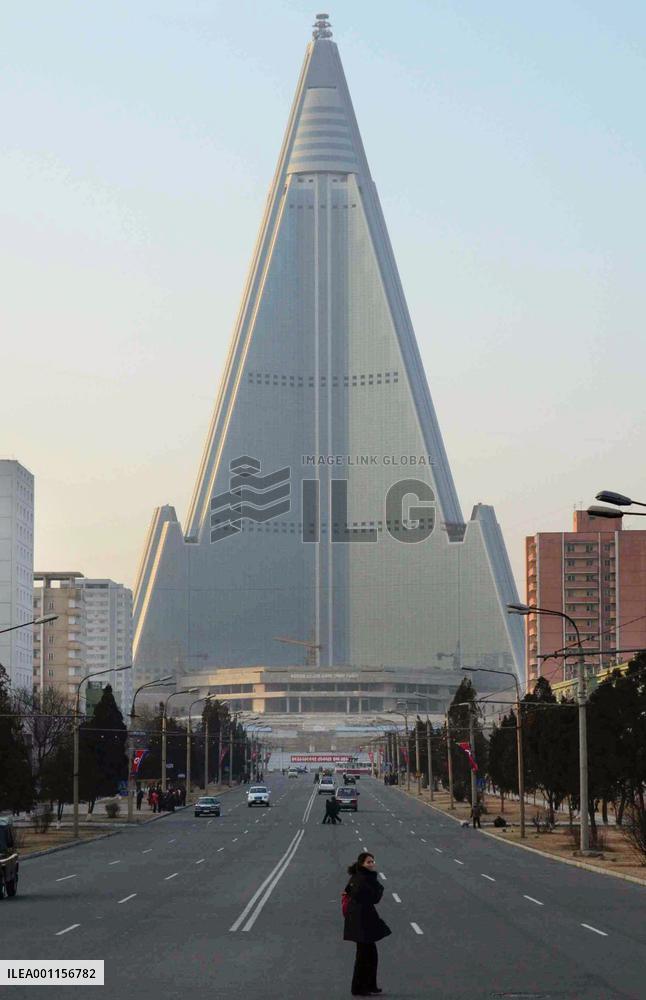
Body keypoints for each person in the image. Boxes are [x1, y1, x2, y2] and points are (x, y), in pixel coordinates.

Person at [343, 851, 390, 996]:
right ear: (362, 864)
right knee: (364, 955)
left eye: (372, 861)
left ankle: (369, 985)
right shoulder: (364, 878)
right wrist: (379, 888)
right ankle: (359, 988)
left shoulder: (358, 876)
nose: (371, 864)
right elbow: (374, 898)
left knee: (369, 954)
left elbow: (347, 891)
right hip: (361, 920)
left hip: (360, 918)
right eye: (368, 862)